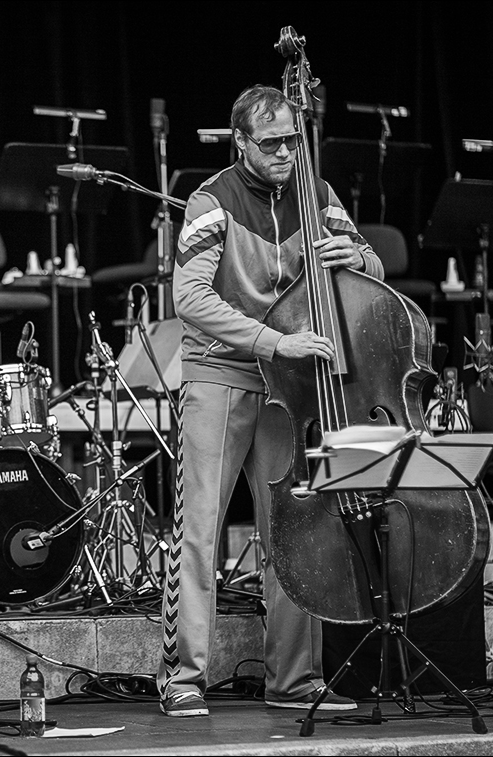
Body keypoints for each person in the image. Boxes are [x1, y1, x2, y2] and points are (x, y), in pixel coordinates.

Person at [157, 84, 384, 717]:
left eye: (294, 139)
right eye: (272, 142)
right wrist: (274, 341)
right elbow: (190, 299)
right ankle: (183, 678)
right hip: (221, 374)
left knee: (291, 527)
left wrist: (359, 255)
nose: (287, 151)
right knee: (199, 528)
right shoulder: (211, 201)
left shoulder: (318, 195)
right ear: (241, 142)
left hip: (290, 387)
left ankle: (294, 680)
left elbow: (371, 275)